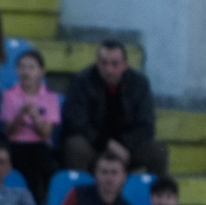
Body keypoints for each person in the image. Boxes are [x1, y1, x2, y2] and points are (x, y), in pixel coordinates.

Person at [60, 38, 166, 178]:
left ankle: (158, 195)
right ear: (97, 63)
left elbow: (146, 125)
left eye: (115, 64)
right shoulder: (82, 82)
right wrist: (108, 144)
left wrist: (123, 145)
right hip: (95, 147)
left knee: (158, 150)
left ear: (125, 65)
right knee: (75, 146)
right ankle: (80, 195)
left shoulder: (139, 84)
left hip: (128, 148)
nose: (109, 69)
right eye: (104, 63)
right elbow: (76, 123)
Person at [0, 45, 59, 205]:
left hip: (40, 144)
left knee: (46, 164)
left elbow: (46, 133)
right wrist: (21, 114)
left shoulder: (51, 97)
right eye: (22, 67)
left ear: (41, 72)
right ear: (16, 70)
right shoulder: (9, 95)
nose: (26, 72)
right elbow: (8, 132)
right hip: (16, 143)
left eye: (31, 67)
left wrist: (35, 116)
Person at [61, 149, 136, 205]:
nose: (109, 178)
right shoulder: (77, 196)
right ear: (95, 174)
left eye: (114, 172)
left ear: (124, 177)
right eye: (104, 172)